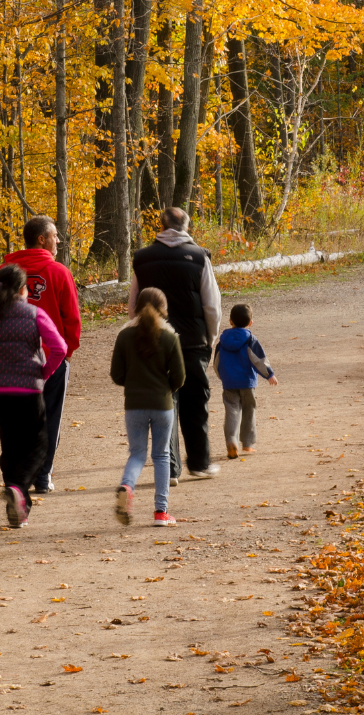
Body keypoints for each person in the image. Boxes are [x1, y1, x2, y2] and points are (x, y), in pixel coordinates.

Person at [0, 263, 67, 528]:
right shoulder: (34, 313)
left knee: (10, 445)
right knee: (39, 444)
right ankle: (18, 489)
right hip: (28, 388)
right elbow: (59, 347)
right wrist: (44, 372)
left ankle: (17, 506)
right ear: (23, 289)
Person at [128, 207, 221, 481]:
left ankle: (169, 469)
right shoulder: (199, 256)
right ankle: (200, 463)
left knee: (164, 404)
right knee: (196, 402)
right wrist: (210, 337)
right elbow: (211, 304)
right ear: (186, 226)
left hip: (152, 342)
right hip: (192, 343)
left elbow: (133, 304)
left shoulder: (142, 258)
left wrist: (137, 334)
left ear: (161, 225)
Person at [3, 215, 81, 494]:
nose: (58, 240)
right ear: (42, 239)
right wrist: (68, 350)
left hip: (12, 356)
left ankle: (16, 476)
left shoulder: (5, 270)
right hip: (52, 357)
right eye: (55, 235)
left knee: (16, 419)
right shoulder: (59, 272)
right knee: (50, 415)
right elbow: (71, 317)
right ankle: (42, 475)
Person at [110, 287, 186, 527]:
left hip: (134, 405)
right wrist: (166, 388)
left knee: (138, 453)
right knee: (162, 455)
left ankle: (127, 486)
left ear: (136, 307)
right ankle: (161, 513)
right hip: (163, 404)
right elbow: (180, 377)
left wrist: (133, 383)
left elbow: (116, 374)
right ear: (164, 309)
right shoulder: (170, 336)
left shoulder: (124, 336)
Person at [213, 303, 278, 458]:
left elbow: (217, 362)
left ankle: (231, 440)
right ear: (250, 323)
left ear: (230, 321)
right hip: (247, 382)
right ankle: (248, 444)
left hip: (229, 383)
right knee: (249, 410)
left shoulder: (222, 341)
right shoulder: (250, 339)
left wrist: (222, 376)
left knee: (232, 411)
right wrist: (269, 374)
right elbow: (258, 359)